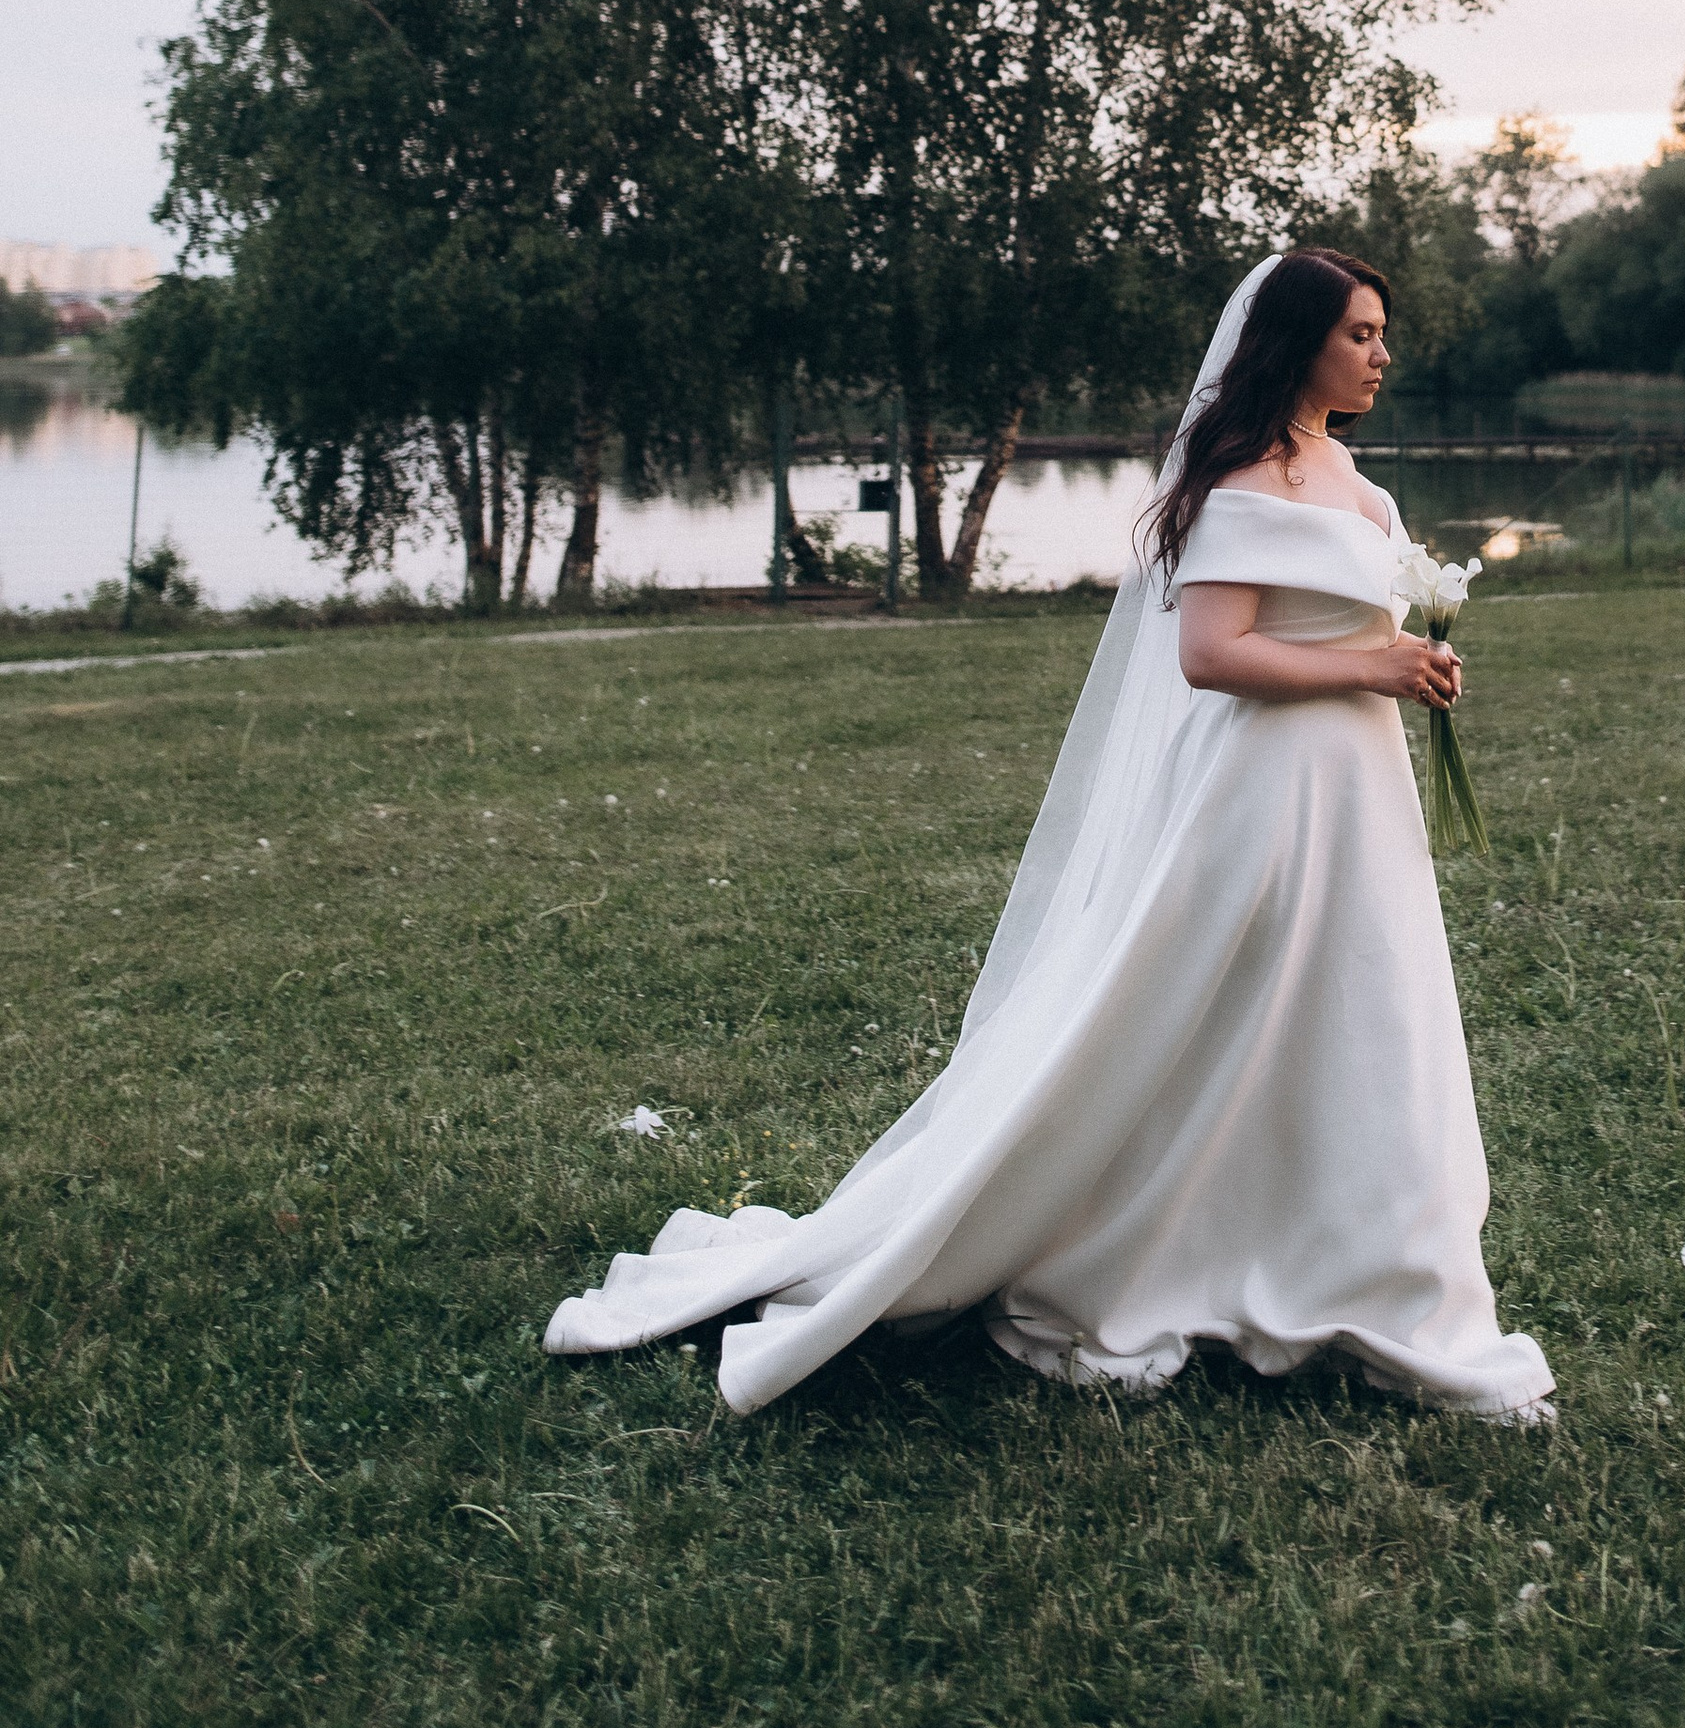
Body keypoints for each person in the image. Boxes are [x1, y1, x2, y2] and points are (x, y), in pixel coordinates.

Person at [545, 249, 1553, 1419]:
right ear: (1297, 341)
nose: (1382, 352)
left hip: (1359, 795)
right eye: (1362, 332)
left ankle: (1367, 1263)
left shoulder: (1352, 479)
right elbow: (1212, 654)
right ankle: (1153, 1242)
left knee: (1365, 1017)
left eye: (1383, 333)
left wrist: (1412, 659)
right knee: (1204, 1020)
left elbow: (1348, 622)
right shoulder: (1236, 483)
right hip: (1262, 792)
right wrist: (1367, 659)